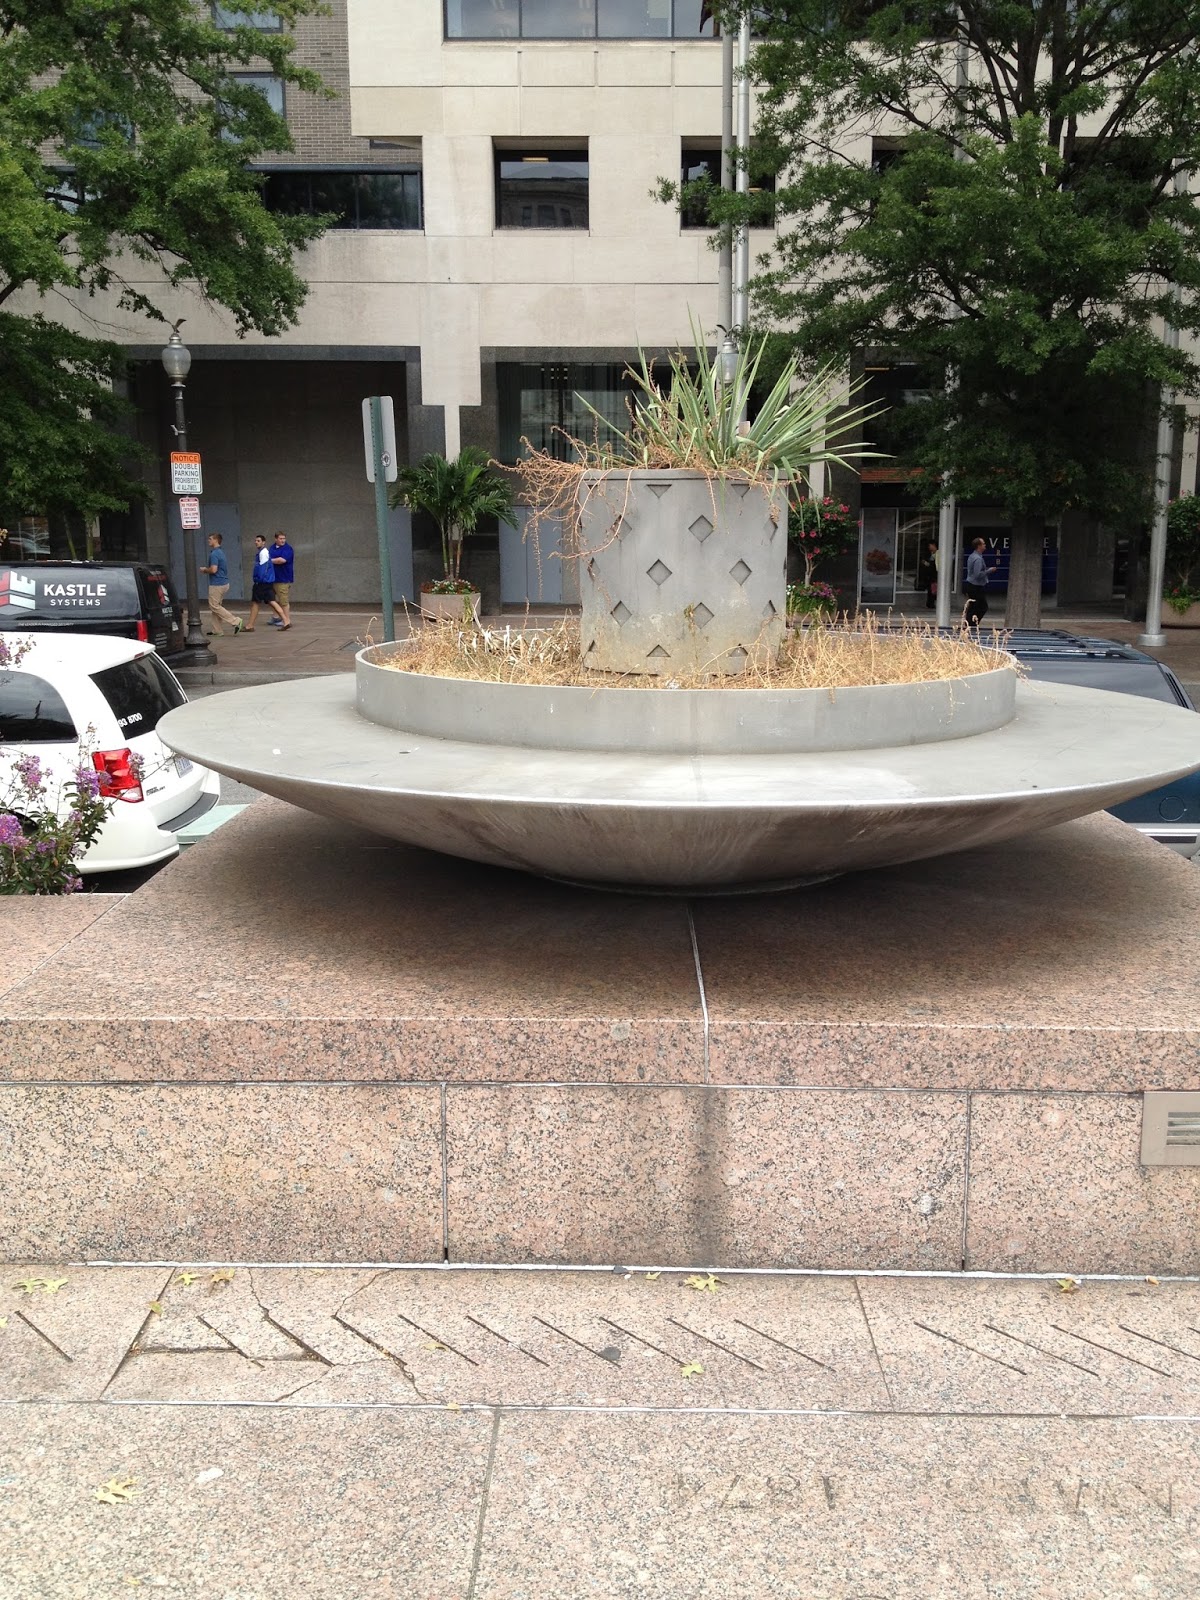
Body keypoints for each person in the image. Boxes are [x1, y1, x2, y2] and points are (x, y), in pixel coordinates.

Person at [199, 532, 243, 636]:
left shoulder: (214, 554)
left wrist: (205, 569)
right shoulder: (220, 552)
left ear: (216, 540)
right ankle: (217, 630)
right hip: (224, 583)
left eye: (210, 539)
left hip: (217, 584)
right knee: (217, 607)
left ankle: (236, 621)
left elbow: (214, 570)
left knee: (214, 606)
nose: (208, 540)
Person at [244, 534, 287, 631]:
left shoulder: (263, 553)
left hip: (262, 583)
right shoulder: (264, 552)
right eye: (255, 540)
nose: (256, 542)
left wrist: (258, 580)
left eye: (258, 541)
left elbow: (262, 569)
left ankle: (250, 625)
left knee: (255, 602)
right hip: (267, 582)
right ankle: (286, 620)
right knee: (272, 601)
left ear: (263, 542)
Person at [963, 537, 998, 627]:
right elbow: (977, 574)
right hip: (976, 586)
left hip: (971, 584)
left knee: (973, 606)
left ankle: (968, 625)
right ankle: (972, 625)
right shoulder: (978, 559)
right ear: (979, 546)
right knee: (982, 607)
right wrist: (989, 570)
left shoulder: (972, 556)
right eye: (983, 544)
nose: (985, 545)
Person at [268, 529, 295, 628]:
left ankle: (286, 620)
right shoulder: (272, 548)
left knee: (283, 601)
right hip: (272, 578)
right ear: (276, 539)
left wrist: (269, 561)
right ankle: (276, 617)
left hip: (283, 579)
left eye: (284, 538)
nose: (283, 540)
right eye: (280, 538)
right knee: (271, 599)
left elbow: (281, 560)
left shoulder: (288, 549)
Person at [919, 539, 939, 611]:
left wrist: (926, 563)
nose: (929, 547)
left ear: (934, 545)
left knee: (933, 590)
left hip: (934, 575)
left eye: (930, 546)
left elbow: (935, 565)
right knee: (931, 590)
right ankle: (930, 603)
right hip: (930, 575)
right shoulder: (931, 554)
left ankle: (931, 603)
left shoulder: (937, 554)